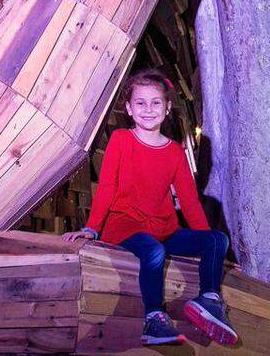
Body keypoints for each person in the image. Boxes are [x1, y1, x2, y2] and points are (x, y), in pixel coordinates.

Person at [63, 69, 238, 347]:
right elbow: (107, 187)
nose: (148, 109)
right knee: (154, 252)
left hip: (164, 229)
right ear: (130, 109)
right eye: (141, 103)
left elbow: (190, 201)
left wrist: (205, 245)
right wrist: (91, 228)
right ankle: (154, 319)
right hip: (125, 226)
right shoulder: (121, 140)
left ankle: (209, 299)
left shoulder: (175, 152)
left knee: (217, 239)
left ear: (167, 108)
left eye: (156, 102)